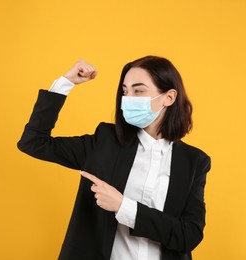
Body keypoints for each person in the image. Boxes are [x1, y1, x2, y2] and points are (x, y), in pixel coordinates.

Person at [17, 56, 211, 260]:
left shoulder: (194, 161)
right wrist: (65, 83)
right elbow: (34, 142)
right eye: (125, 91)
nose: (128, 98)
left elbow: (189, 235)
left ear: (169, 97)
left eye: (139, 91)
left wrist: (123, 206)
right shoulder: (105, 142)